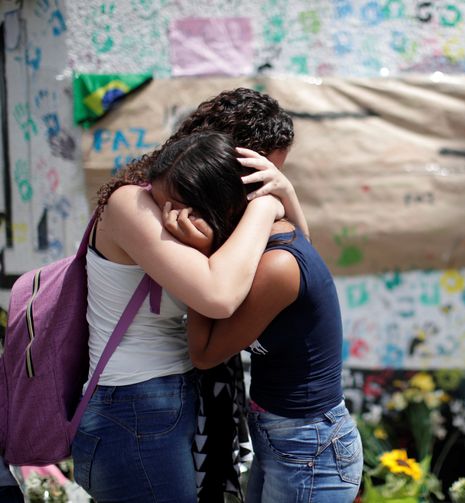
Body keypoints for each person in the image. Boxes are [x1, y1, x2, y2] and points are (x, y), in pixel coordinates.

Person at [72, 89, 304, 503]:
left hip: (172, 399)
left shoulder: (204, 213)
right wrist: (268, 208)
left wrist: (287, 195)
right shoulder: (134, 203)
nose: (257, 193)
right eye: (258, 176)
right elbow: (217, 296)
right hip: (133, 407)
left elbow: (297, 259)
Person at [159, 131, 363, 503]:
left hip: (310, 449)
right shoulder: (261, 248)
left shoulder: (278, 264)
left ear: (214, 206)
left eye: (186, 211)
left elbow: (204, 353)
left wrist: (198, 258)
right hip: (286, 436)